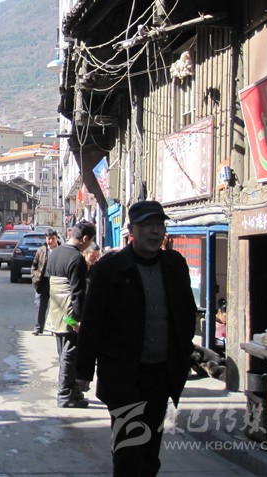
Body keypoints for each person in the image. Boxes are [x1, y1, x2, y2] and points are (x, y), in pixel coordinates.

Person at [76, 200, 197, 477]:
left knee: (150, 452)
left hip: (161, 375)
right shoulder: (111, 268)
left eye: (159, 225)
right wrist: (83, 369)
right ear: (131, 230)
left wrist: (184, 349)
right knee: (129, 449)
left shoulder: (174, 265)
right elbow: (92, 321)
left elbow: (186, 312)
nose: (155, 231)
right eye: (147, 225)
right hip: (124, 375)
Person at [45, 220, 96, 408]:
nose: (88, 246)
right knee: (70, 355)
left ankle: (74, 393)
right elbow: (77, 293)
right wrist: (79, 319)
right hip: (69, 314)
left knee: (64, 354)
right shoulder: (77, 259)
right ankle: (64, 395)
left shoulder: (55, 253)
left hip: (56, 311)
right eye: (90, 242)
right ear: (85, 238)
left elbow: (46, 283)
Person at [30, 227, 59, 335]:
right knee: (40, 305)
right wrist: (35, 277)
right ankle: (38, 327)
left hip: (56, 281)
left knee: (55, 306)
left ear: (57, 238)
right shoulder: (41, 250)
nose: (50, 241)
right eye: (48, 238)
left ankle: (54, 328)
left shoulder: (61, 250)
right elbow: (34, 265)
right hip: (43, 281)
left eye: (52, 238)